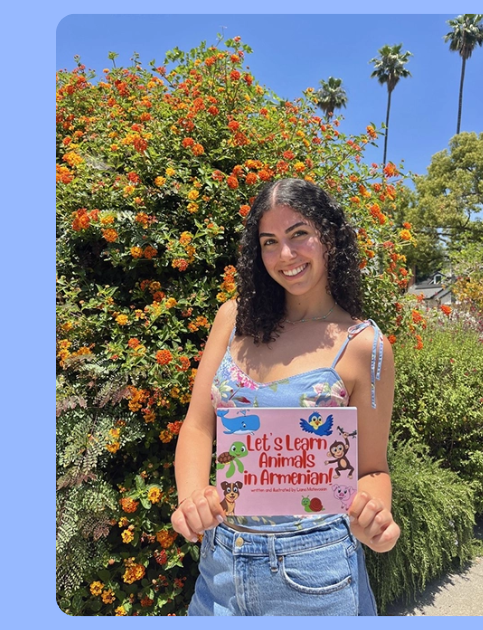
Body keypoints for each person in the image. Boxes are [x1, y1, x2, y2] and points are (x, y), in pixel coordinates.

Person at [171, 178, 399, 615]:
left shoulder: (364, 346)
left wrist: (375, 517)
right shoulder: (233, 319)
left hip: (316, 573)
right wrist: (191, 499)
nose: (285, 255)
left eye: (299, 234)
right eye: (269, 242)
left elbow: (372, 468)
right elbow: (198, 427)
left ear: (329, 237)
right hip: (220, 568)